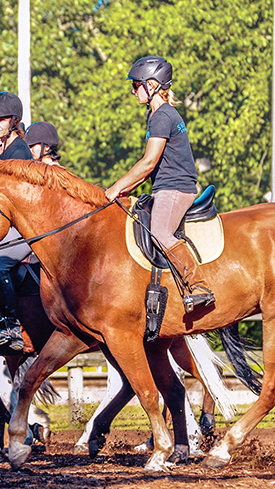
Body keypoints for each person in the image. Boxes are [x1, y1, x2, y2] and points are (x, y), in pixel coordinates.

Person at [105, 56, 214, 311]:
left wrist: (115, 188)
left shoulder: (162, 116)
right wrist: (125, 189)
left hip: (175, 189)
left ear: (152, 84)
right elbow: (147, 170)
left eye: (136, 85)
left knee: (161, 232)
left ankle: (198, 285)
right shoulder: (156, 115)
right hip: (165, 186)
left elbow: (148, 162)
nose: (133, 91)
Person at [0, 92, 33, 350]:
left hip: (24, 227)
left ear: (14, 120)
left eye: (0, 119)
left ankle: (12, 325)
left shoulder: (19, 151)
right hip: (6, 225)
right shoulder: (1, 150)